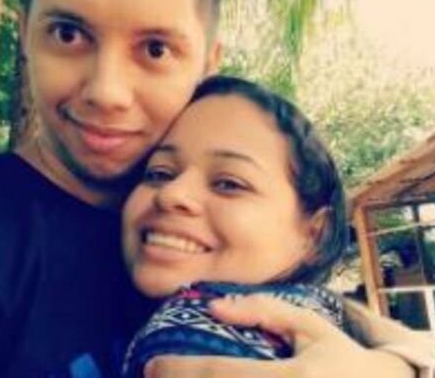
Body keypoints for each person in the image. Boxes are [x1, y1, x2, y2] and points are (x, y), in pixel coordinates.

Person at [0, 0, 435, 377]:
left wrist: (400, 366)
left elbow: (341, 319)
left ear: (207, 63)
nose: (107, 91)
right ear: (25, 34)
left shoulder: (204, 246)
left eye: (155, 48)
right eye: (69, 34)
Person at [119, 75, 352, 376]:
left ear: (314, 234)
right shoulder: (337, 324)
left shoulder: (186, 340)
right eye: (159, 173)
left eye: (229, 183)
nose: (171, 194)